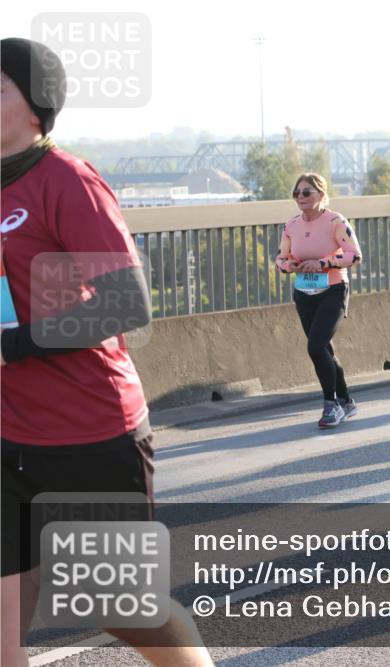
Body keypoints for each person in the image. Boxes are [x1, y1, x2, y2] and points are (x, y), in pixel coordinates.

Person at [0, 38, 213, 667]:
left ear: (35, 106)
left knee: (118, 605)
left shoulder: (66, 180)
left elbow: (127, 307)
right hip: (8, 433)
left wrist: (11, 346)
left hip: (87, 429)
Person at [275, 173, 363, 428]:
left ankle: (331, 404)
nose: (300, 197)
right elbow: (280, 260)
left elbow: (354, 256)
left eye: (306, 192)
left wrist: (324, 263)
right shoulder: (291, 225)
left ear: (321, 195)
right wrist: (290, 265)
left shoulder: (336, 221)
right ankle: (346, 400)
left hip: (333, 289)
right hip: (304, 292)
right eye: (297, 193)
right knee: (324, 348)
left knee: (315, 347)